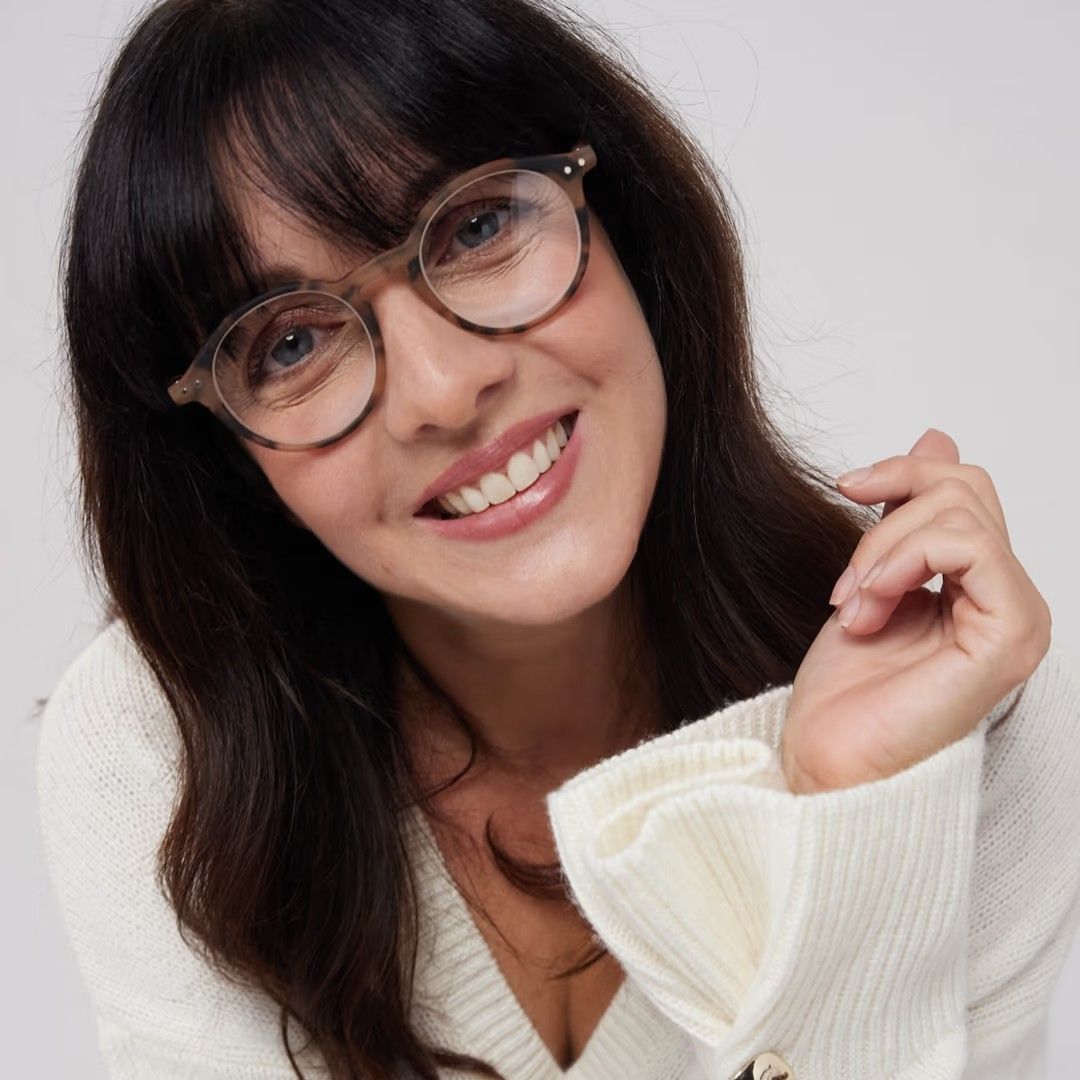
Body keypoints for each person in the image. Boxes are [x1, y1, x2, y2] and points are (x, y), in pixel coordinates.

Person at [37, 0, 1080, 1077]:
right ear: (224, 455)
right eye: (291, 342)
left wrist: (851, 813)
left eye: (477, 227)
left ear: (623, 216)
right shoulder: (159, 756)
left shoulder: (957, 698)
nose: (444, 389)